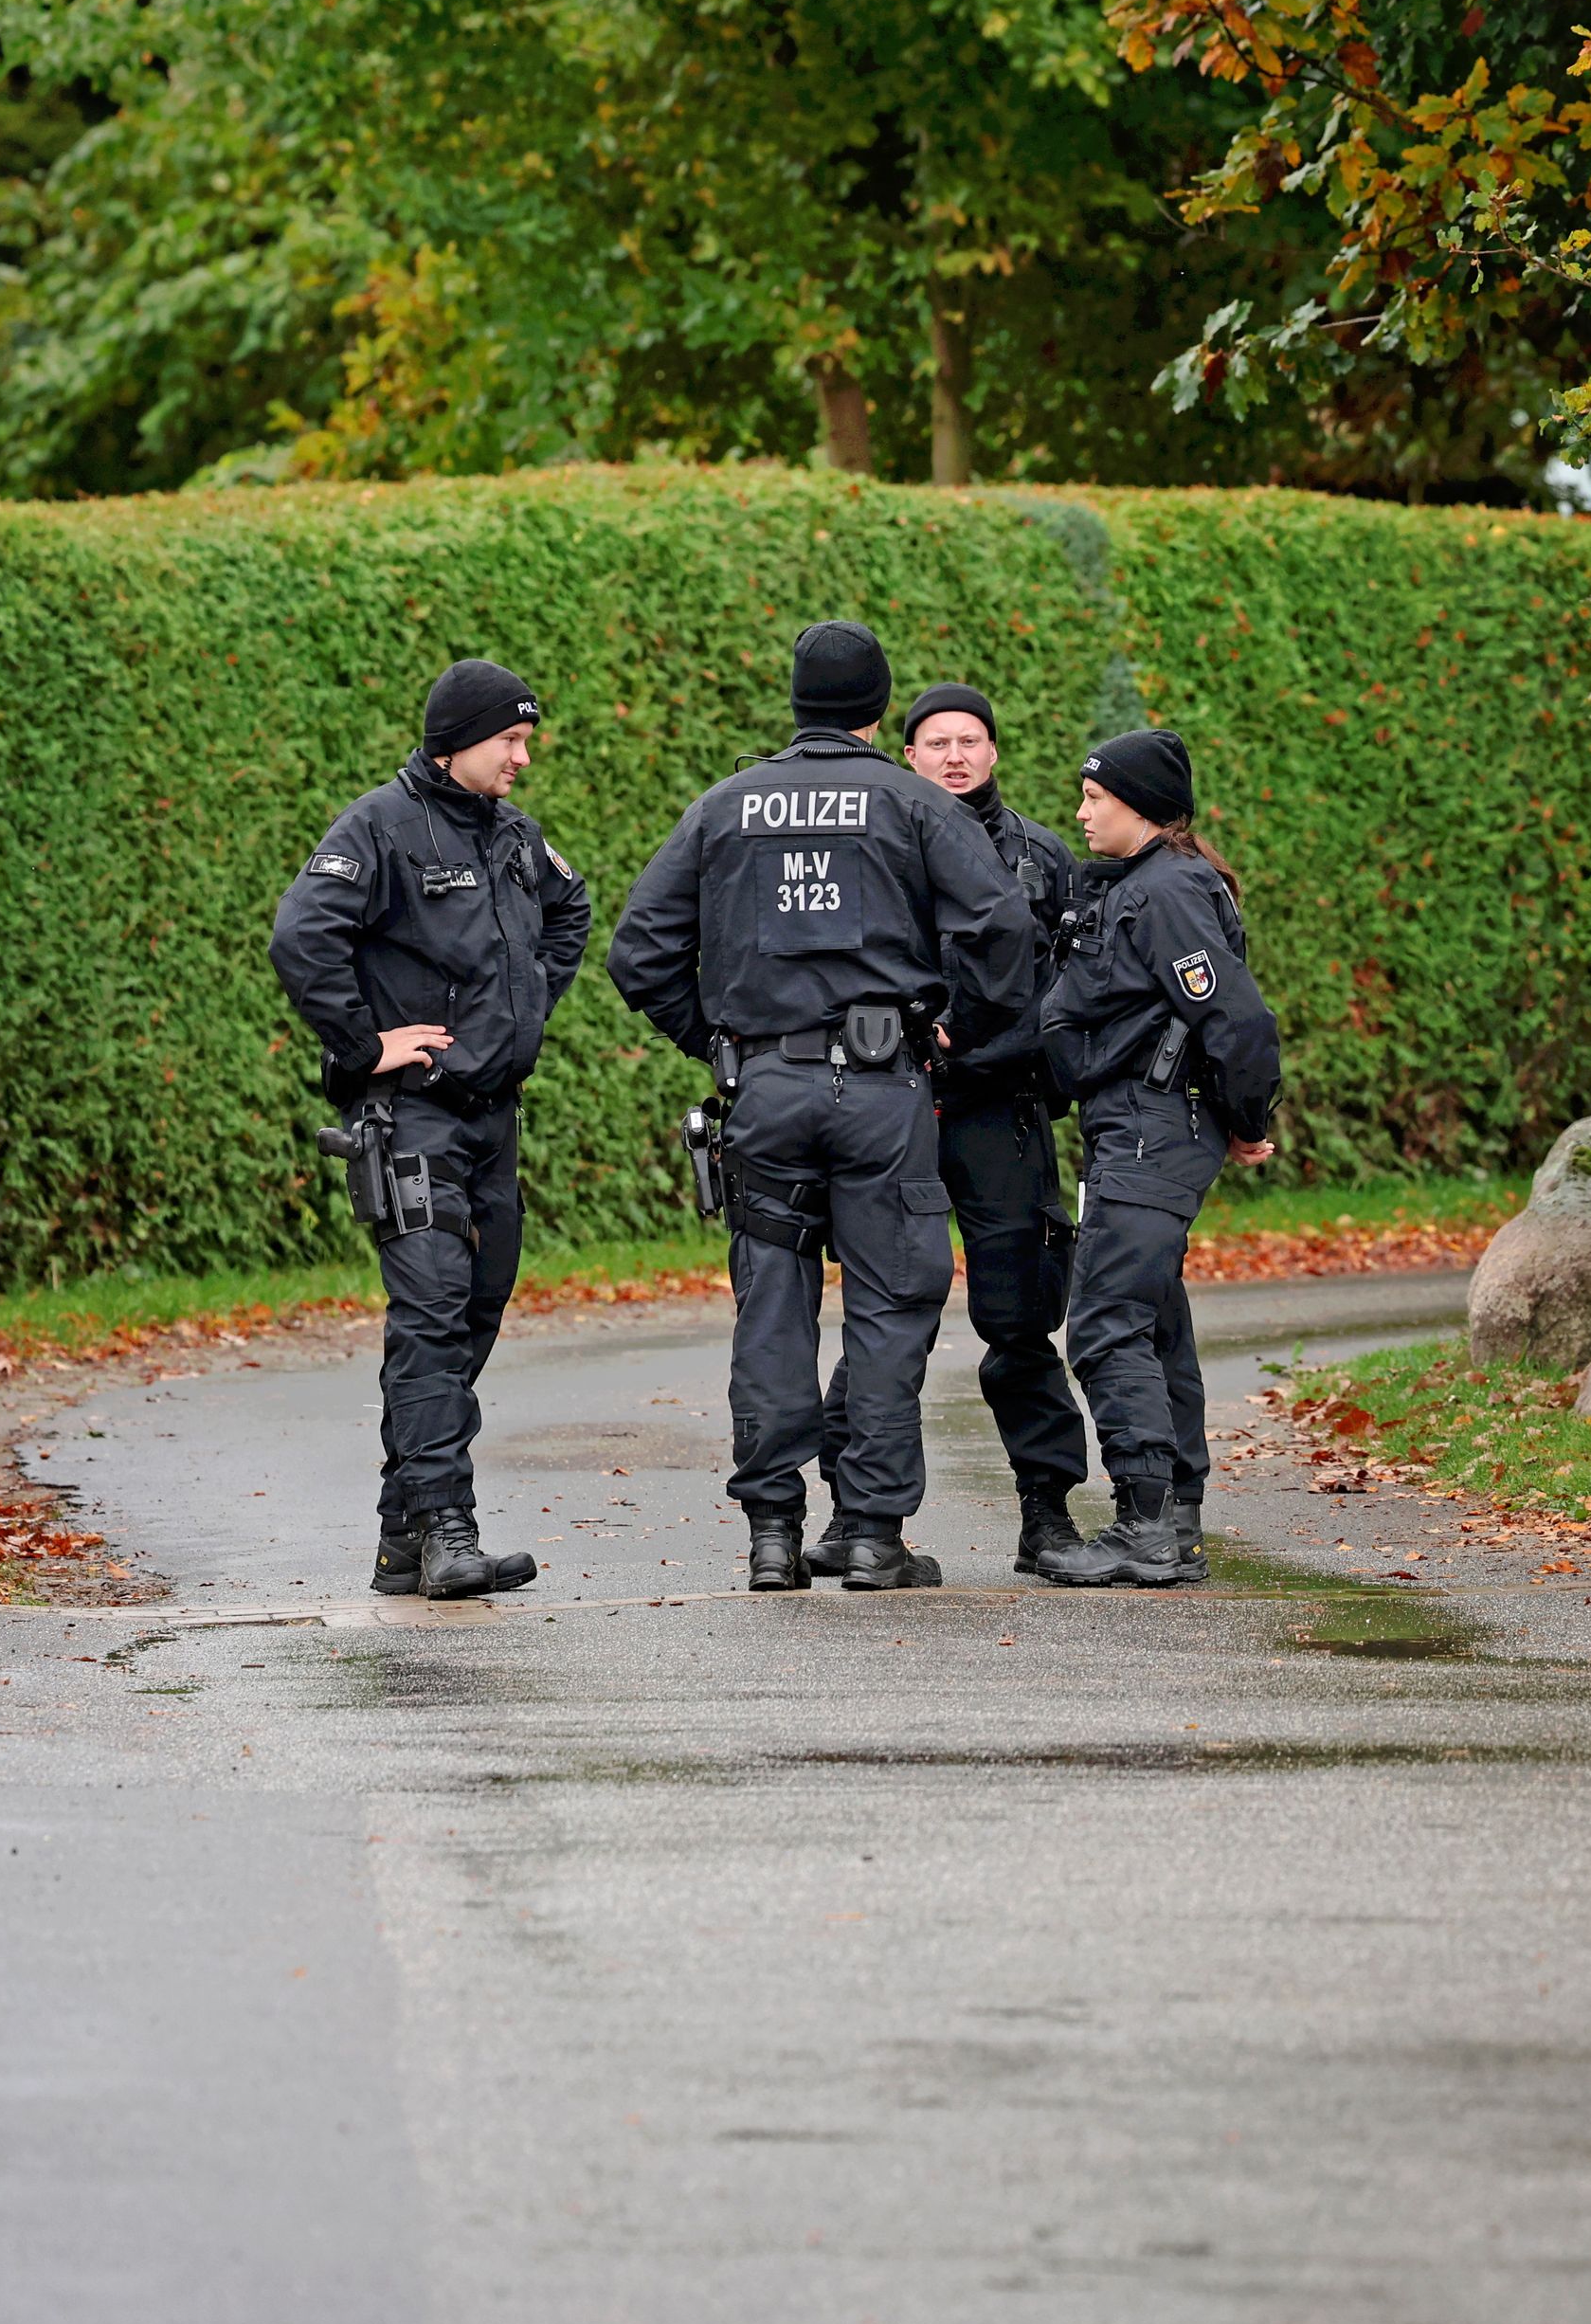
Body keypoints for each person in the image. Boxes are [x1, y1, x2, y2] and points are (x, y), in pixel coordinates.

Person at [605, 622, 1036, 1591]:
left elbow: (639, 953)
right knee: (889, 1306)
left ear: (795, 702)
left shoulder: (725, 806)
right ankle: (874, 1534)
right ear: (881, 710)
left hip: (766, 1091)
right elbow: (1002, 924)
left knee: (772, 1309)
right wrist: (954, 1022)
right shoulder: (913, 803)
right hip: (883, 1092)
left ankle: (770, 1533)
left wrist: (722, 1046)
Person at [269, 660, 590, 1601]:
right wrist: (363, 1044)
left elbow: (568, 913)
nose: (523, 758)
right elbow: (302, 936)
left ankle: (400, 1538)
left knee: (474, 1309)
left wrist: (521, 1012)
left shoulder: (515, 838)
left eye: (526, 740)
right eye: (512, 741)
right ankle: (448, 1533)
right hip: (408, 1118)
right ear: (458, 741)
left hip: (492, 1123)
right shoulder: (379, 828)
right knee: (433, 1314)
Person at [798, 681, 1128, 1587]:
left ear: (993, 752)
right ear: (906, 755)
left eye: (970, 740)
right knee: (883, 1311)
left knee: (1020, 1319)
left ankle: (1047, 1514)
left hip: (1001, 1108)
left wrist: (985, 1042)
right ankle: (854, 1512)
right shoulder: (863, 838)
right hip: (887, 1104)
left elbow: (1073, 990)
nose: (953, 754)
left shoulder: (1044, 857)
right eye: (935, 740)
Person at [1043, 730, 1281, 1587]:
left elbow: (1239, 1021)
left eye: (1093, 797)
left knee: (1105, 1323)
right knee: (1152, 1319)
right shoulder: (1144, 885)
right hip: (1139, 1126)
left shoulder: (1169, 891)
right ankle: (1175, 1518)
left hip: (1152, 1127)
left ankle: (1143, 1524)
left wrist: (1248, 1115)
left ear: (1138, 805)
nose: (1080, 811)